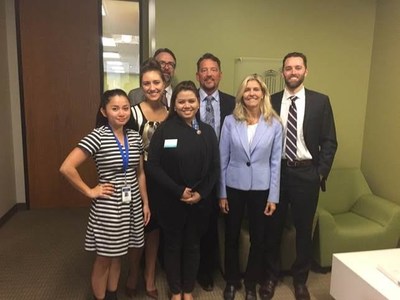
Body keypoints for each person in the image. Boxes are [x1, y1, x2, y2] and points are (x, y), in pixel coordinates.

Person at [59, 89, 150, 300]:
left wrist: (145, 203)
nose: (121, 113)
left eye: (126, 108)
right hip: (109, 205)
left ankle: (111, 295)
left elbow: (140, 173)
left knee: (119, 255)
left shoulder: (134, 136)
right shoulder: (97, 136)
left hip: (132, 202)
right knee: (105, 258)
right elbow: (67, 167)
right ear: (104, 111)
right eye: (115, 108)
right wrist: (91, 191)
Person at [263, 52, 337, 300]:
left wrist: (320, 173)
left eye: (297, 67)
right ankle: (271, 276)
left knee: (304, 230)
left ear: (306, 71)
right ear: (282, 72)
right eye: (288, 68)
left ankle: (300, 281)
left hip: (307, 173)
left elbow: (329, 141)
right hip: (278, 172)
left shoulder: (320, 101)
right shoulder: (270, 101)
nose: (292, 72)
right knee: (273, 228)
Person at [147, 81, 220, 300]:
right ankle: (175, 291)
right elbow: (153, 166)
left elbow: (215, 167)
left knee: (192, 247)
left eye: (191, 101)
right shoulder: (163, 131)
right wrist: (178, 191)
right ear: (174, 104)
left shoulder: (207, 132)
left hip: (199, 202)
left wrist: (201, 194)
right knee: (172, 247)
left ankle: (188, 291)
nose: (186, 105)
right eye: (181, 101)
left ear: (198, 103)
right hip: (171, 201)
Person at [219, 74, 283, 300]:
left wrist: (273, 197)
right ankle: (232, 281)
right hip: (234, 186)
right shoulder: (230, 121)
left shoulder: (274, 124)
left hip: (261, 188)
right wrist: (222, 193)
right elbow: (222, 159)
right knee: (232, 236)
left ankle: (250, 285)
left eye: (256, 89)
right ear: (241, 95)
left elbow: (276, 163)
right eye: (247, 90)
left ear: (263, 94)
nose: (252, 93)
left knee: (259, 238)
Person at [125, 58, 168, 299]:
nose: (152, 87)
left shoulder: (172, 113)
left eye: (156, 82)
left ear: (164, 84)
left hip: (161, 182)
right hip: (136, 179)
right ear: (141, 86)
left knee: (154, 232)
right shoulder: (130, 113)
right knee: (136, 231)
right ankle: (132, 274)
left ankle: (150, 277)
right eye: (147, 83)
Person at [195, 52, 235, 291]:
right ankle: (204, 271)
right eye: (204, 70)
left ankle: (227, 272)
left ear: (220, 74)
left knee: (228, 224)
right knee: (204, 225)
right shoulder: (187, 100)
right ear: (197, 74)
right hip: (198, 174)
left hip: (229, 172)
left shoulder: (233, 102)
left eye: (213, 69)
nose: (209, 74)